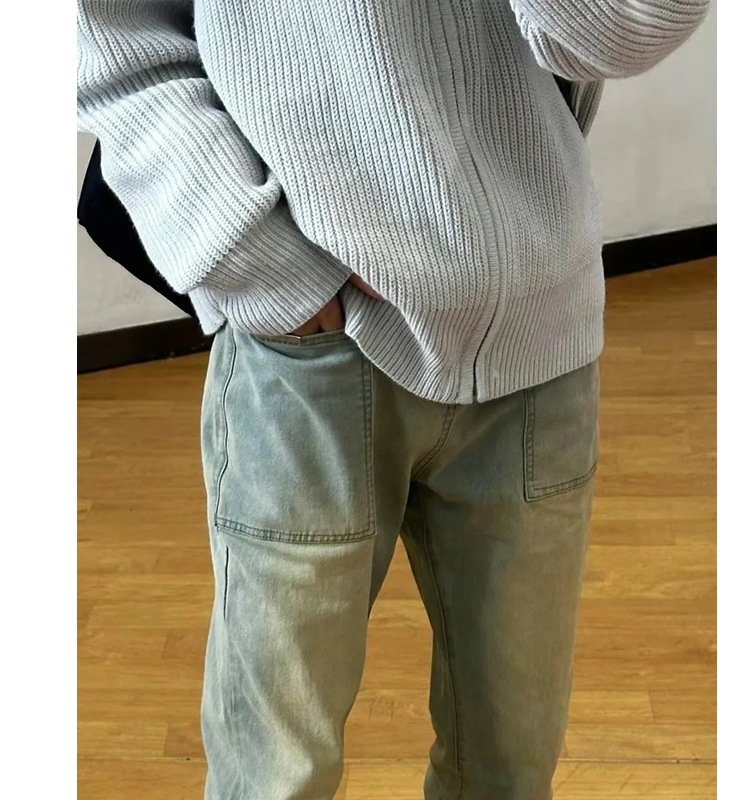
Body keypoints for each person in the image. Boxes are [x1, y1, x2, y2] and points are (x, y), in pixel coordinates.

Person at [77, 2, 710, 798]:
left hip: (538, 328)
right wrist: (255, 255)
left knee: (509, 768)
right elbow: (114, 39)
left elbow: (615, 32)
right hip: (313, 349)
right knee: (276, 777)